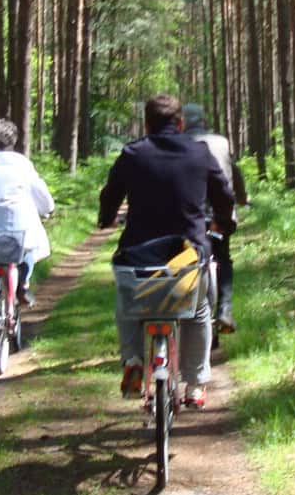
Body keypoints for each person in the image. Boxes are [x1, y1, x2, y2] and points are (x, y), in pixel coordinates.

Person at [97, 94, 237, 409]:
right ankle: (196, 384)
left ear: (146, 124)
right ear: (180, 123)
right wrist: (223, 224)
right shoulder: (199, 153)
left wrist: (106, 220)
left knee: (127, 304)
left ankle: (133, 361)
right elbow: (224, 195)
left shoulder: (132, 154)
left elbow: (110, 196)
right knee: (199, 310)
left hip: (139, 257)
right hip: (188, 256)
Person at [0, 118, 55, 345]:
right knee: (30, 245)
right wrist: (48, 209)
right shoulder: (23, 164)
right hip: (19, 232)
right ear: (14, 140)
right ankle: (23, 284)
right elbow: (42, 197)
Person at [180, 103, 246, 339]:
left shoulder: (178, 144)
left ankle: (187, 314)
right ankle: (225, 309)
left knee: (185, 261)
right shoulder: (221, 142)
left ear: (182, 122)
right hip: (220, 214)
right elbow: (234, 172)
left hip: (190, 217)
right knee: (223, 259)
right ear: (203, 120)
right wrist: (243, 198)